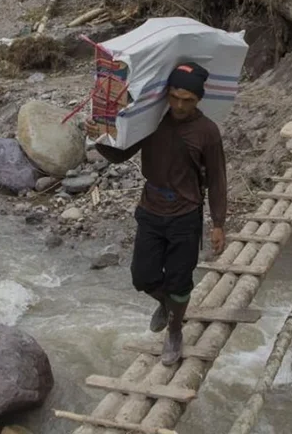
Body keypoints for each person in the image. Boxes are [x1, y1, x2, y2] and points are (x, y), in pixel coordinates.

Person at [85, 62, 228, 367]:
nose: (179, 105)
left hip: (186, 215)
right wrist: (99, 138)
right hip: (150, 209)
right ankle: (169, 306)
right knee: (142, 276)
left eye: (187, 100)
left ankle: (174, 331)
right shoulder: (151, 121)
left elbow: (217, 179)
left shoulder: (207, 132)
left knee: (179, 280)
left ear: (198, 99)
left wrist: (218, 223)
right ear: (166, 94)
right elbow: (122, 154)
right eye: (174, 97)